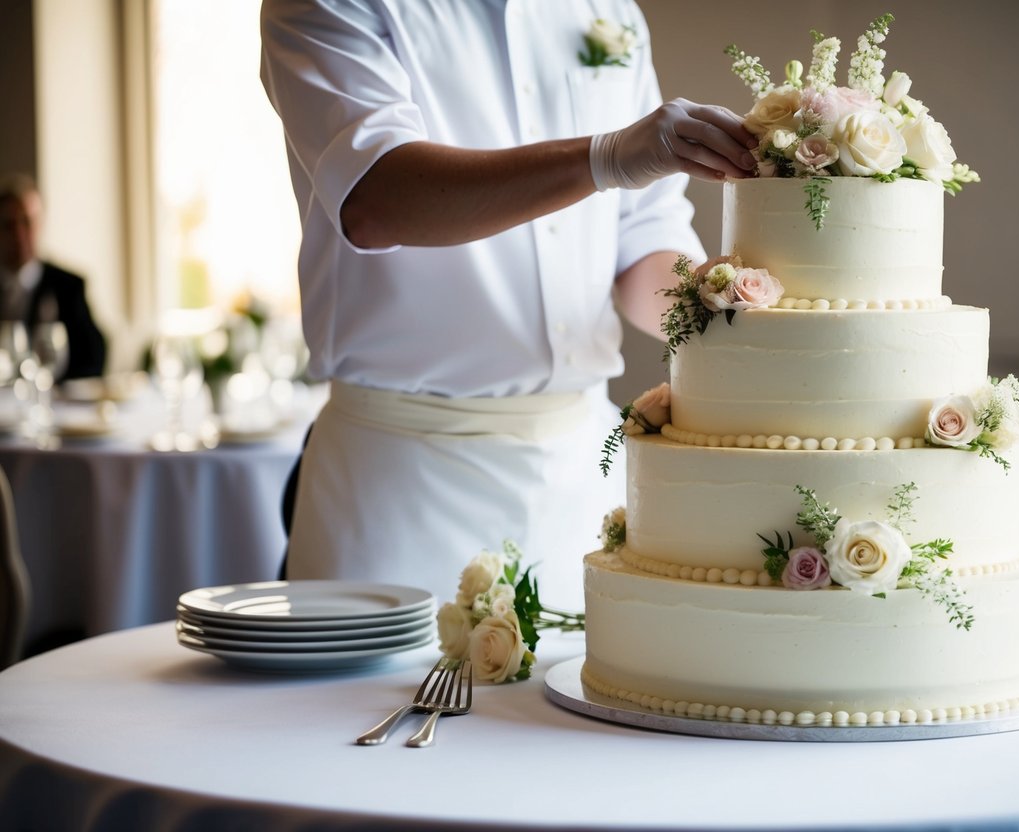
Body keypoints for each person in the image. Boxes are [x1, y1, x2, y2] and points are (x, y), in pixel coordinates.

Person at [260, 0, 756, 607]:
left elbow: (641, 240)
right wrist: (604, 157)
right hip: (398, 485)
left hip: (581, 483)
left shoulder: (606, 10)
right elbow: (373, 194)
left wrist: (715, 303)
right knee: (374, 705)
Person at [0, 173, 108, 380]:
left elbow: (94, 358)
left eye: (26, 222)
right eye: (9, 225)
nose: (18, 235)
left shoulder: (68, 286)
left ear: (40, 224)